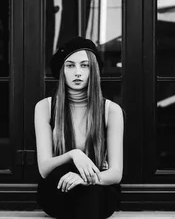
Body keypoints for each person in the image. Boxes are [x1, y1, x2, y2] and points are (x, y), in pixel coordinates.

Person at [34, 36, 124, 219]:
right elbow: (44, 168)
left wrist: (85, 179)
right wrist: (74, 154)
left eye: (84, 65)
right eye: (70, 65)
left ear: (94, 70)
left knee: (90, 191)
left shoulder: (111, 110)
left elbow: (115, 173)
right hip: (58, 187)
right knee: (67, 180)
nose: (77, 72)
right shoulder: (44, 107)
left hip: (99, 187)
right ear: (62, 70)